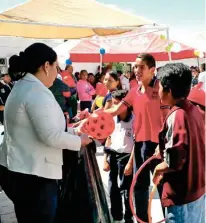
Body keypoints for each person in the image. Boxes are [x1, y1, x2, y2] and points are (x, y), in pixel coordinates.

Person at [0, 43, 92, 223]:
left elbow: (40, 128)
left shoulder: (23, 86)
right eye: (56, 67)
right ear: (46, 66)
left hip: (21, 171)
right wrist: (79, 140)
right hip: (33, 176)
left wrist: (73, 131)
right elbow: (50, 136)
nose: (57, 73)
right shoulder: (35, 92)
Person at [104, 53, 169, 221]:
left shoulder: (161, 88)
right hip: (140, 145)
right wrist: (90, 117)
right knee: (139, 188)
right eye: (135, 66)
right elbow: (114, 111)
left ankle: (170, 218)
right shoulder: (133, 92)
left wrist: (164, 144)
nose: (136, 70)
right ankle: (143, 220)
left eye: (141, 67)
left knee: (162, 187)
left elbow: (169, 117)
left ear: (152, 69)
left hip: (160, 146)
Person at [153, 63, 205, 223]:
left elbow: (175, 160)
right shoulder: (194, 110)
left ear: (168, 90)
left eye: (160, 86)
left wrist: (158, 168)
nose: (158, 91)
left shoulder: (177, 115)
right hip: (198, 189)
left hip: (181, 194)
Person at [103, 90, 134, 223]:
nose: (114, 108)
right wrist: (105, 159)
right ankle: (116, 216)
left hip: (127, 157)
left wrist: (130, 163)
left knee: (126, 191)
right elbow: (108, 138)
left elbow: (136, 143)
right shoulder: (112, 120)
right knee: (112, 187)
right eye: (113, 104)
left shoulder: (134, 120)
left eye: (117, 104)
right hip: (113, 156)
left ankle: (128, 217)